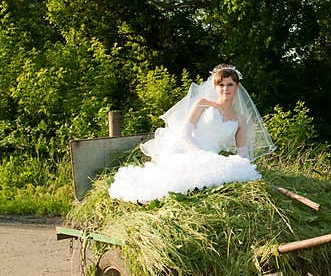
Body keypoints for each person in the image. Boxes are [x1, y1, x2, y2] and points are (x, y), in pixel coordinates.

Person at [108, 64, 276, 204]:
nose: (225, 89)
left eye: (230, 84)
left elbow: (242, 151)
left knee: (229, 174)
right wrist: (199, 154)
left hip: (213, 157)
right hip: (188, 150)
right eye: (221, 85)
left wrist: (243, 167)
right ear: (215, 87)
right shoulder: (202, 104)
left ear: (237, 87)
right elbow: (185, 134)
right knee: (181, 182)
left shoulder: (240, 119)